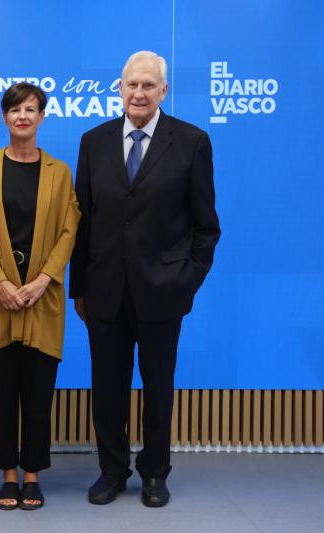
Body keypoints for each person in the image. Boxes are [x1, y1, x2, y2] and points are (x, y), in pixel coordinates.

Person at [69, 51, 221, 508]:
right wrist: (79, 288)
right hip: (104, 291)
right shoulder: (93, 142)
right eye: (132, 84)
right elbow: (82, 221)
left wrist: (185, 282)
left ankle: (155, 472)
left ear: (163, 91)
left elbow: (206, 227)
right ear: (119, 88)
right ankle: (112, 470)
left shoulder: (192, 142)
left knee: (158, 389)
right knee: (107, 389)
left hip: (163, 291)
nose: (139, 93)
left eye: (148, 85)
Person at [0, 83, 80, 511]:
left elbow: (69, 230)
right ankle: (7, 476)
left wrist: (43, 280)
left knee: (37, 397)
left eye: (31, 109)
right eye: (15, 110)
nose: (22, 117)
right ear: (4, 117)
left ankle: (32, 475)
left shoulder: (59, 172)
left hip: (41, 300)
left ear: (42, 117)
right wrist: (0, 282)